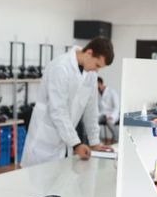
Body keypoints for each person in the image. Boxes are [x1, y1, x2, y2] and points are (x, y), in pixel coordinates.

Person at [21, 37, 114, 167]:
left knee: (62, 175)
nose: (97, 70)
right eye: (97, 65)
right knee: (39, 176)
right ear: (89, 53)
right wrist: (76, 144)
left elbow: (91, 109)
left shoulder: (91, 74)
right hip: (45, 140)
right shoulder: (60, 67)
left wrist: (94, 142)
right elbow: (58, 111)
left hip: (65, 140)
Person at [97, 76, 120, 143]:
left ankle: (117, 139)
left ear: (100, 83)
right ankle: (98, 141)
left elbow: (117, 107)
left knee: (109, 121)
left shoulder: (112, 92)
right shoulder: (97, 93)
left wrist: (112, 116)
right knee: (93, 122)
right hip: (102, 114)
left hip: (112, 114)